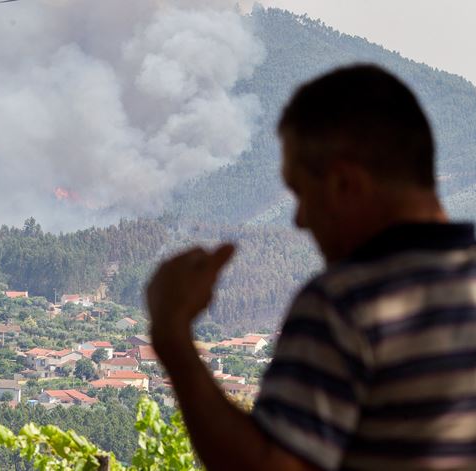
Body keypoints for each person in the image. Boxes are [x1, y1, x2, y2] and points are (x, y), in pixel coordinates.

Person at [147, 64, 476, 470]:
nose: (300, 219)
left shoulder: (347, 303)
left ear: (343, 184)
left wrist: (172, 335)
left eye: (301, 192)